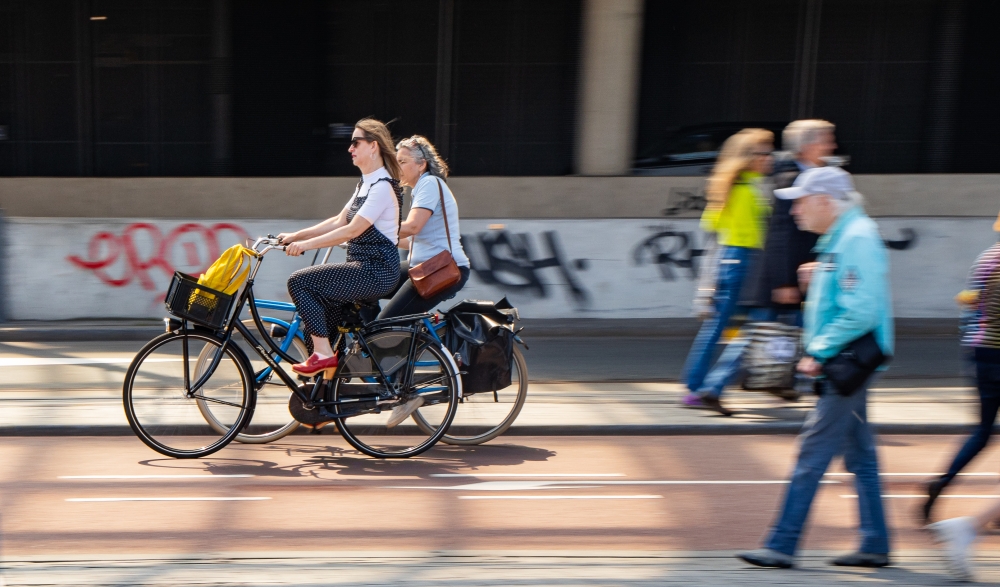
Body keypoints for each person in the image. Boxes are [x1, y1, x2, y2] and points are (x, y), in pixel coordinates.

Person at [738, 166, 894, 569]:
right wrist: (817, 280)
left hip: (844, 363)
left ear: (826, 201)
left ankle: (782, 544)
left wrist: (819, 351)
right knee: (860, 454)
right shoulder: (842, 238)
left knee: (812, 451)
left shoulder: (856, 239)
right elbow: (849, 295)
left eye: (801, 201)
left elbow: (861, 311)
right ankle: (875, 542)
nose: (794, 211)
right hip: (851, 363)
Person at [694, 120, 836, 408]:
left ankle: (777, 382)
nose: (832, 145)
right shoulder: (789, 179)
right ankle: (713, 386)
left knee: (779, 332)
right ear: (808, 146)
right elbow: (779, 236)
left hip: (790, 273)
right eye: (826, 140)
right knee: (760, 333)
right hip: (777, 275)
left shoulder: (801, 176)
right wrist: (784, 282)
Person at [277, 118, 402, 380]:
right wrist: (294, 236)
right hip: (361, 267)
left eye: (356, 142)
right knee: (322, 316)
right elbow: (339, 220)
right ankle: (329, 386)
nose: (350, 148)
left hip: (376, 269)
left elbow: (351, 231)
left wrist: (305, 245)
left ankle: (324, 355)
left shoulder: (382, 187)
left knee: (299, 283)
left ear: (373, 147)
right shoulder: (365, 183)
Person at [681, 129, 774, 416]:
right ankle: (712, 386)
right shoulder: (754, 187)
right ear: (752, 158)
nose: (771, 158)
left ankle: (694, 387)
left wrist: (708, 282)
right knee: (758, 323)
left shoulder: (729, 186)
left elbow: (712, 231)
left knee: (717, 326)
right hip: (747, 259)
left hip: (729, 258)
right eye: (766, 153)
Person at [924, 210, 1000, 530]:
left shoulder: (986, 257)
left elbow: (969, 303)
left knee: (982, 432)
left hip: (981, 351)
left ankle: (940, 485)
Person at [377, 135, 471, 319]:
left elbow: (412, 227)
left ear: (422, 164)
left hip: (440, 269)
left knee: (384, 326)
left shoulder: (429, 183)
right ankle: (374, 340)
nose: (397, 167)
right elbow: (412, 240)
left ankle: (382, 342)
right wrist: (370, 237)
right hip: (424, 266)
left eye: (402, 161)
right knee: (365, 286)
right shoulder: (422, 187)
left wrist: (370, 228)